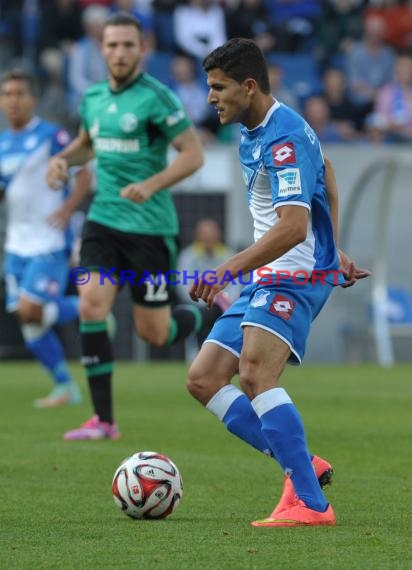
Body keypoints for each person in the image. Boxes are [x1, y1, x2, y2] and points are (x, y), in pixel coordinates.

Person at [186, 38, 370, 527]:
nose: (211, 97)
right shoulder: (254, 129)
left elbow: (291, 226)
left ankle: (312, 504)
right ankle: (301, 461)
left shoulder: (283, 137)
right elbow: (324, 171)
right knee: (204, 379)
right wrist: (334, 246)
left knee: (254, 375)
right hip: (272, 272)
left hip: (291, 274)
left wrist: (227, 268)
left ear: (249, 86)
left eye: (218, 87)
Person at [46, 13, 225, 441]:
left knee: (156, 333)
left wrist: (151, 184)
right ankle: (104, 421)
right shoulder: (91, 98)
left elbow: (193, 154)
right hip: (103, 221)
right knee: (92, 304)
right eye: (112, 45)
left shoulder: (157, 98)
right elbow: (88, 145)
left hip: (150, 229)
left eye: (129, 45)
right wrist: (61, 161)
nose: (120, 52)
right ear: (102, 49)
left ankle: (209, 315)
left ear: (142, 49)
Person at [0, 69, 91, 408]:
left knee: (30, 309)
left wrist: (67, 209)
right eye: (7, 94)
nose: (13, 100)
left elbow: (84, 174)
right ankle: (65, 386)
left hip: (49, 239)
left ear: (32, 99)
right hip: (16, 243)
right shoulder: (3, 143)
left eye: (19, 94)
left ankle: (90, 309)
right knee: (28, 321)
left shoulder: (52, 135)